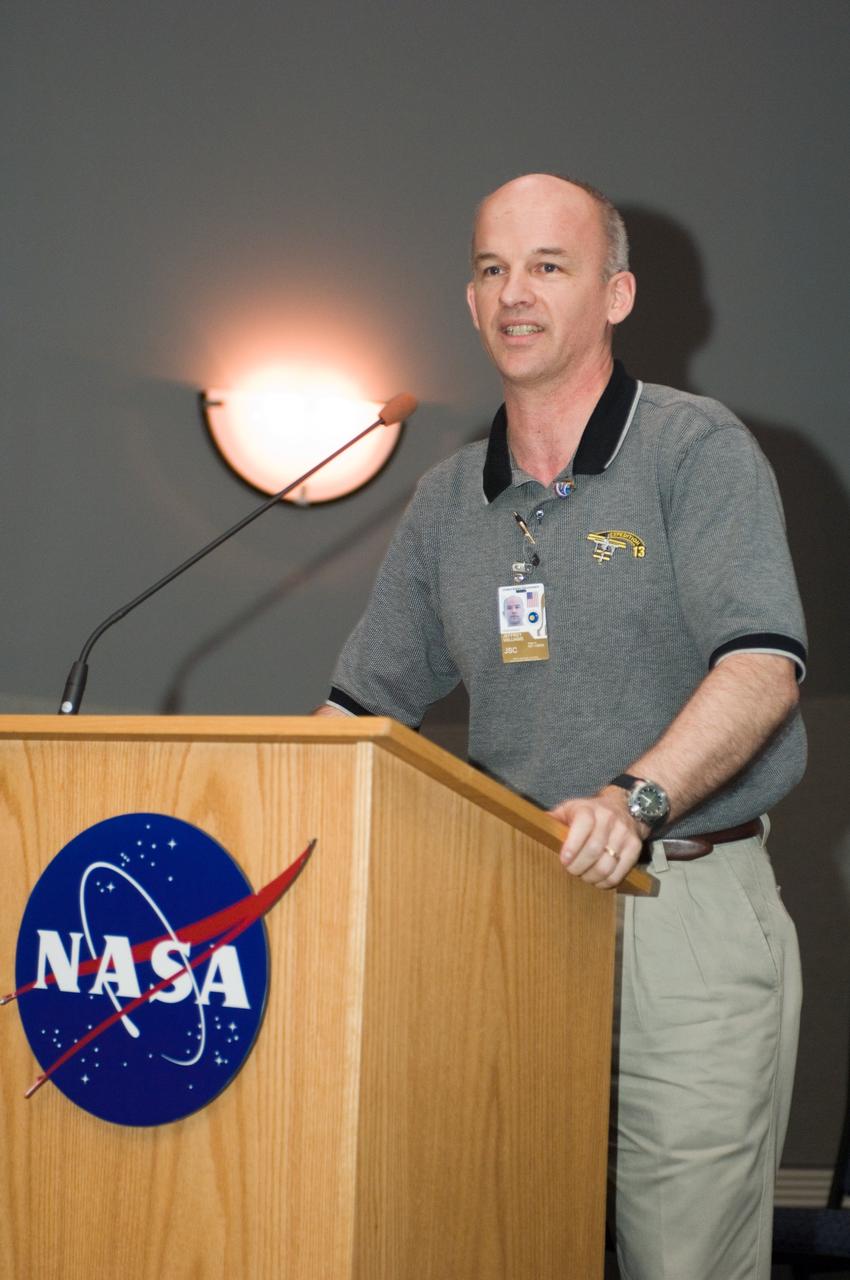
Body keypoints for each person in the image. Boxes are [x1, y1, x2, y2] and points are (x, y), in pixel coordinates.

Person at [316, 173, 806, 1279]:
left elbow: (763, 663)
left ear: (616, 293)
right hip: (511, 923)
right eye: (492, 268)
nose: (514, 292)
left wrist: (634, 802)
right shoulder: (447, 500)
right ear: (470, 299)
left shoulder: (696, 448)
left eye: (549, 265)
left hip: (682, 905)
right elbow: (353, 714)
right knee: (502, 1239)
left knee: (681, 1264)